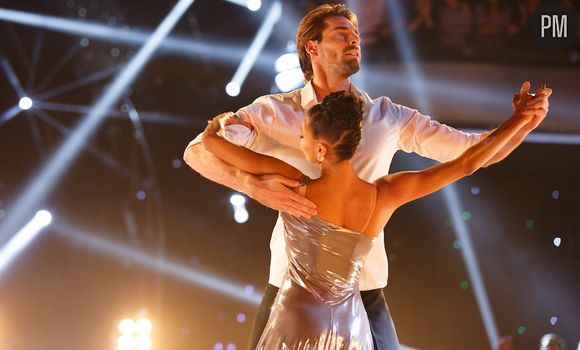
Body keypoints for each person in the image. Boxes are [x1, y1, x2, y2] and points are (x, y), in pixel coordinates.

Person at [183, 4, 551, 349]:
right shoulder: (276, 113)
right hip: (288, 288)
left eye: (356, 34)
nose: (355, 39)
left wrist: (523, 122)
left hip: (366, 291)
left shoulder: (384, 117)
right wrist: (251, 186)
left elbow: (472, 151)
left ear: (317, 146)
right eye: (342, 34)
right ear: (312, 47)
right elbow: (195, 151)